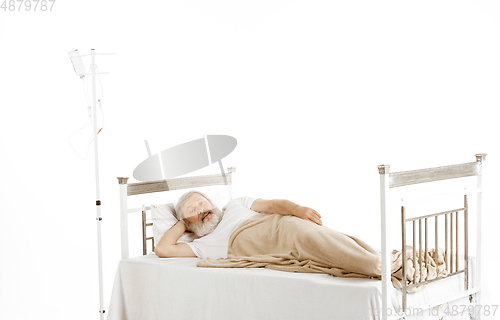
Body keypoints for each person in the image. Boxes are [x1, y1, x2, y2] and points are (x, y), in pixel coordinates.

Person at [154, 191, 322, 259]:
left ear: (212, 204)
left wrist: (298, 209)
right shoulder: (200, 246)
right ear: (187, 222)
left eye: (201, 203)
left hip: (283, 226)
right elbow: (162, 249)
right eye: (192, 210)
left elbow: (273, 205)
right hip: (266, 245)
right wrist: (182, 225)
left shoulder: (236, 204)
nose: (200, 210)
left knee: (322, 240)